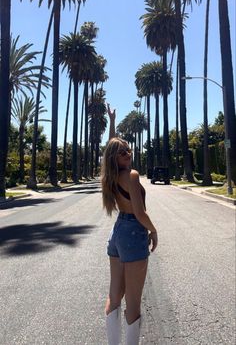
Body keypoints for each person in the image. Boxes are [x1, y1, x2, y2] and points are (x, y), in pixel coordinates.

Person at [101, 104, 158, 345]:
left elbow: (110, 147)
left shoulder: (110, 176)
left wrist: (112, 121)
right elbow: (140, 213)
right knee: (133, 303)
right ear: (116, 157)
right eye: (123, 152)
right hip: (133, 232)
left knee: (115, 297)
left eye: (129, 150)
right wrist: (153, 230)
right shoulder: (131, 175)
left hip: (117, 235)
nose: (128, 153)